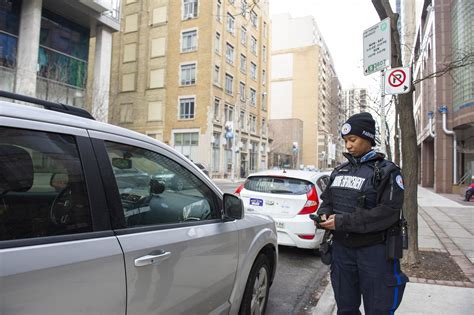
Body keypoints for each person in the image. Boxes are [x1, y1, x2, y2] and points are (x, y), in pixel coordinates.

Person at [316, 112, 408, 315]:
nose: (348, 146)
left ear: (368, 138)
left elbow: (388, 213)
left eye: (352, 140)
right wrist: (323, 216)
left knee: (378, 309)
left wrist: (342, 221)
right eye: (345, 141)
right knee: (346, 308)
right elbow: (327, 202)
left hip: (374, 252)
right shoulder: (339, 171)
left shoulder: (387, 172)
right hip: (342, 251)